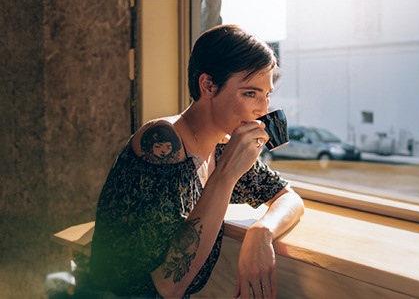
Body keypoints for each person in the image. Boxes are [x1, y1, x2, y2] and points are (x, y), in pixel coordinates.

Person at [87, 24, 304, 299]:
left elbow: (289, 198)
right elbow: (167, 285)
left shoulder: (224, 147)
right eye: (250, 93)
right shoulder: (163, 140)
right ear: (208, 86)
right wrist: (226, 176)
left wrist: (261, 231)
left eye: (267, 94)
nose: (262, 109)